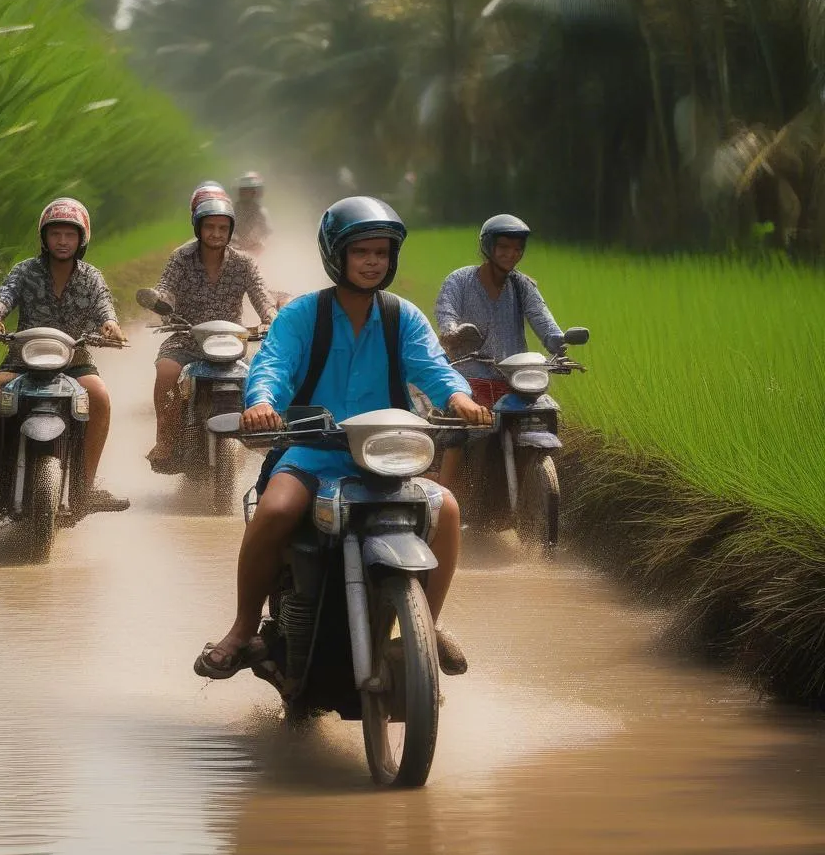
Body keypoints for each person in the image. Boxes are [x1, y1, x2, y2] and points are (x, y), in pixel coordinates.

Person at [193, 196, 491, 682]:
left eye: (381, 253)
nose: (373, 262)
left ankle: (425, 628)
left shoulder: (403, 317)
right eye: (361, 252)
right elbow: (272, 366)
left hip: (385, 455)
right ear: (337, 255)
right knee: (276, 508)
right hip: (314, 451)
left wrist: (459, 399)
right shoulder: (302, 315)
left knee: (448, 509)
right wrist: (261, 403)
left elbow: (435, 370)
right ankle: (244, 628)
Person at [0, 197, 129, 514]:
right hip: (23, 358)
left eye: (70, 235)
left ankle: (86, 486)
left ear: (82, 239)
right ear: (44, 237)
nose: (63, 241)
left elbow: (105, 310)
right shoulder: (25, 271)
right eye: (56, 234)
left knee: (100, 396)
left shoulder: (91, 277)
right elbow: (3, 297)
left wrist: (110, 326)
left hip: (74, 360)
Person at [146, 195, 278, 472]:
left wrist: (271, 318)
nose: (216, 234)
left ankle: (263, 436)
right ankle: (166, 440)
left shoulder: (244, 262)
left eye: (222, 228)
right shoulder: (181, 257)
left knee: (261, 374)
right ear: (198, 228)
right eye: (210, 227)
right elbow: (166, 287)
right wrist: (162, 302)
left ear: (230, 231)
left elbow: (261, 294)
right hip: (187, 335)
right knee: (166, 371)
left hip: (230, 340)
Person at [434, 213, 565, 488]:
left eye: (517, 249)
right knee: (456, 436)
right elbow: (446, 313)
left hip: (513, 381)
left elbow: (542, 318)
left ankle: (531, 484)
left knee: (539, 418)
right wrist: (453, 332)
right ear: (488, 246)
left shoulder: (522, 285)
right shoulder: (459, 280)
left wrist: (558, 344)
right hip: (469, 379)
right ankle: (445, 500)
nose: (511, 254)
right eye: (504, 247)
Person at [232, 171, 272, 252]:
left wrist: (261, 243)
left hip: (254, 250)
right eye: (244, 190)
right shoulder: (233, 210)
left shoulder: (261, 212)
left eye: (250, 190)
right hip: (235, 248)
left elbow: (267, 233)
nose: (246, 193)